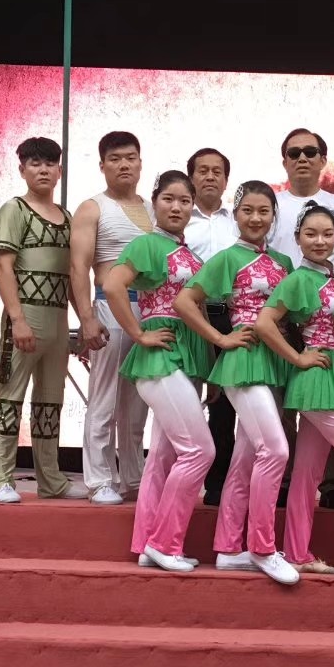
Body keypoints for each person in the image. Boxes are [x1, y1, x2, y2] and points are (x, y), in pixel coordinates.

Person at [175, 181, 297, 586]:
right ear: (236, 214)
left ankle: (229, 548)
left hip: (273, 361)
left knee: (247, 460)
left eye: (264, 211)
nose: (256, 218)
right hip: (243, 361)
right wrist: (221, 338)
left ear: (274, 215)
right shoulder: (228, 258)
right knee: (275, 450)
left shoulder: (283, 262)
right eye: (247, 210)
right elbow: (184, 301)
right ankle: (262, 547)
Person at [255, 202, 334, 577]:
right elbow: (264, 323)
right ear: (297, 239)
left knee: (307, 471)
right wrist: (297, 357)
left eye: (328, 234)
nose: (320, 241)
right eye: (311, 234)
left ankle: (296, 552)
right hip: (317, 379)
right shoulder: (297, 280)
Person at [103, 170, 216, 571]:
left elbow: (199, 311)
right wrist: (138, 333)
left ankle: (147, 541)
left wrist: (210, 366)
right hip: (162, 353)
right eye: (169, 199)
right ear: (154, 203)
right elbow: (113, 285)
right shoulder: (148, 243)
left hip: (188, 354)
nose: (177, 207)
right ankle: (164, 543)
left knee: (164, 457)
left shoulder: (190, 255)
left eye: (185, 201)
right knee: (200, 451)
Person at [0, 136, 88, 504]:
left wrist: (84, 320)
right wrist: (17, 319)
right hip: (26, 315)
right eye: (35, 163)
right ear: (22, 169)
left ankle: (51, 479)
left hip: (57, 319)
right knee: (10, 397)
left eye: (49, 164)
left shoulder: (68, 218)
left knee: (50, 401)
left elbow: (74, 276)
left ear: (60, 171)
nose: (43, 170)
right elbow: (3, 267)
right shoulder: (14, 210)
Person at [69, 131, 154, 505]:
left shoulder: (153, 208)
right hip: (109, 306)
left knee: (137, 402)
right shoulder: (93, 208)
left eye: (130, 157)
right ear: (102, 165)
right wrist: (86, 318)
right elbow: (78, 267)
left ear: (140, 163)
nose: (124, 165)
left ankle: (134, 477)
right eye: (116, 158)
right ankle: (100, 479)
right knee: (104, 398)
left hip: (149, 311)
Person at [183, 147, 238, 507]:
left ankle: (218, 484)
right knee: (186, 398)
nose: (210, 177)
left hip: (226, 316)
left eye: (217, 171)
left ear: (226, 179)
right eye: (202, 170)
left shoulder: (236, 221)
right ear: (191, 177)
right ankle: (182, 480)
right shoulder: (179, 218)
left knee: (224, 404)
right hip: (186, 316)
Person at [270, 128, 334, 277]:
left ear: (323, 161)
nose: (302, 158)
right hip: (278, 290)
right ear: (285, 163)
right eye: (294, 153)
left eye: (310, 152)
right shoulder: (269, 206)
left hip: (328, 290)